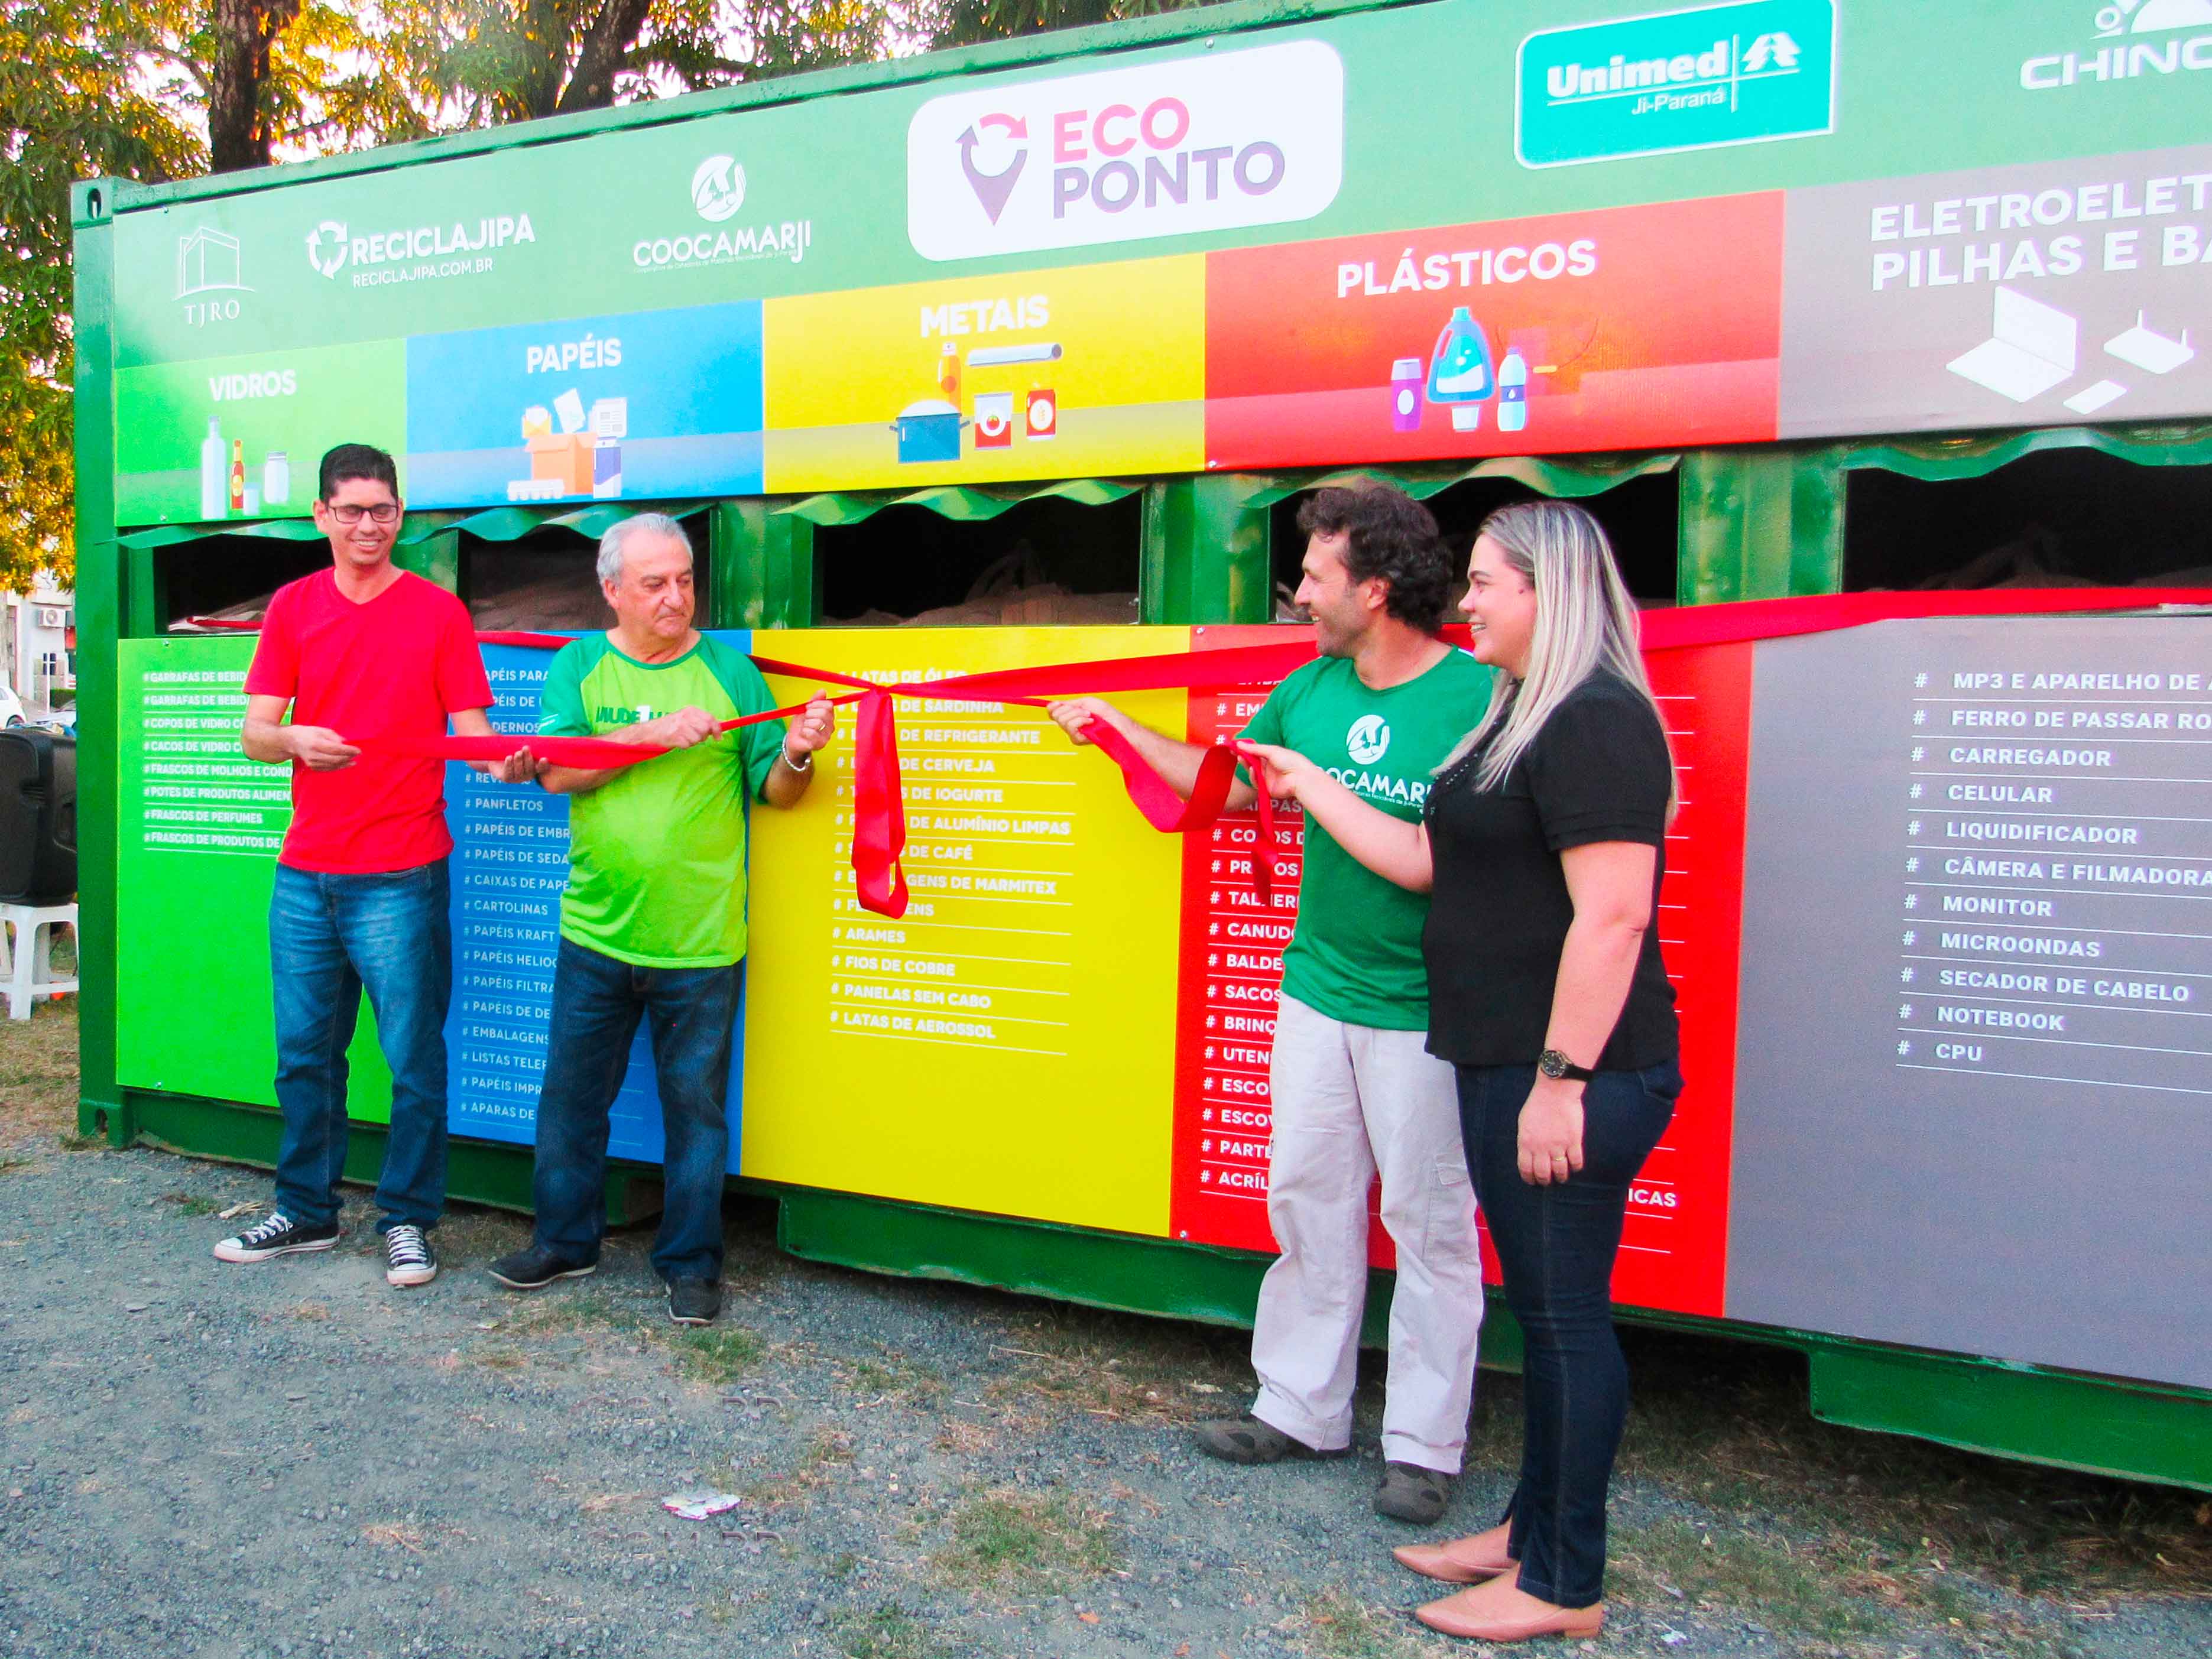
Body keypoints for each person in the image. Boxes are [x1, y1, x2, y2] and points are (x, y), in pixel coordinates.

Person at [1241, 500, 1681, 1644]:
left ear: (1551, 592)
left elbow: (1615, 918)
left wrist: (1559, 1078)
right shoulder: (1524, 715)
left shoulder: (1593, 718)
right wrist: (1307, 777)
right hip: (1489, 1051)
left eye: (1487, 582)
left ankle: (1561, 1584)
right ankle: (1527, 1536)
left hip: (1566, 1074)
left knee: (1566, 1322)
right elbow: (1423, 857)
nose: (1466, 599)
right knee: (1544, 1310)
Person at [1049, 485, 1490, 1525]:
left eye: (1316, 576)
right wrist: (1117, 730)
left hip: (1431, 1008)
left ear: (1374, 591)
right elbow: (1227, 792)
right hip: (1316, 991)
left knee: (1429, 1224)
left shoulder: (1475, 699)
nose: (1297, 594)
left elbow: (1454, 864)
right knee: (1306, 1197)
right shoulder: (1311, 687)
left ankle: (1424, 1444)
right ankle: (1299, 1405)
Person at [486, 513, 835, 1327]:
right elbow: (560, 773)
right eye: (654, 583)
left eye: (683, 580)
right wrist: (654, 732)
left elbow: (776, 794)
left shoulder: (732, 673)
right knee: (570, 1104)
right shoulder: (578, 665)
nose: (675, 597)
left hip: (701, 943)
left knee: (696, 1116)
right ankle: (565, 1243)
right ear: (612, 591)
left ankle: (690, 1263)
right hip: (595, 935)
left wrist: (798, 753)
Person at [215, 443, 536, 1289]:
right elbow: (253, 733)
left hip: (402, 870)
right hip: (305, 874)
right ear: (321, 517)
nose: (369, 525)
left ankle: (407, 1221)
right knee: (304, 1057)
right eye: (352, 510)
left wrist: (503, 761)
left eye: (383, 510)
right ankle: (307, 1211)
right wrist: (292, 738)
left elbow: (473, 733)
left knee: (412, 1057)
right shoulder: (292, 607)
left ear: (401, 516)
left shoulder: (436, 612)